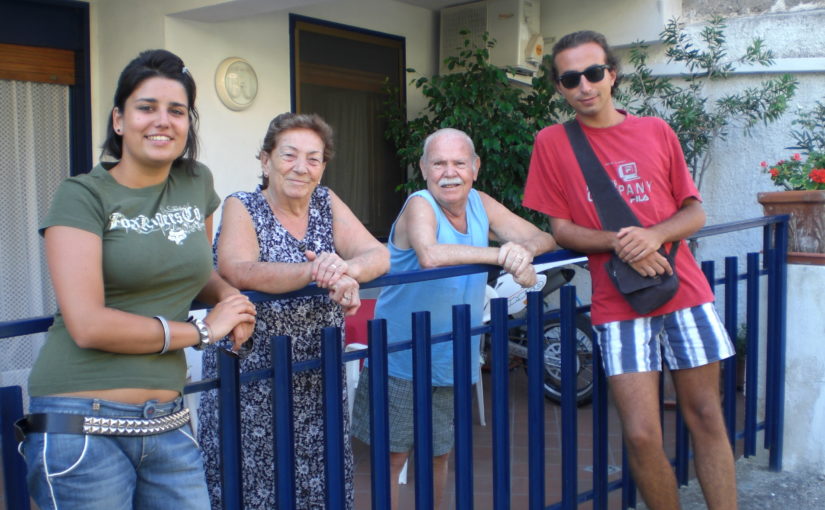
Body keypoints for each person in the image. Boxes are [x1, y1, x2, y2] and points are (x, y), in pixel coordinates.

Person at [17, 49, 257, 510]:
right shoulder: (81, 195)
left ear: (189, 124)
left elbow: (194, 268)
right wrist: (205, 330)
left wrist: (231, 298)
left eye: (176, 110)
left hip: (169, 422)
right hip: (82, 426)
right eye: (146, 107)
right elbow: (87, 324)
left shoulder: (194, 182)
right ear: (120, 120)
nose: (162, 121)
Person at [523, 30, 737, 510]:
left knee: (706, 415)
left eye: (594, 73)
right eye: (571, 78)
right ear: (560, 86)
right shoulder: (553, 143)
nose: (584, 86)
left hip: (683, 288)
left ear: (612, 74)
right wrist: (623, 242)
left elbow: (693, 212)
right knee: (641, 436)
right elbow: (561, 229)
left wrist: (654, 235)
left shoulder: (656, 131)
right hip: (617, 300)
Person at [351, 127, 557, 510]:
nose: (450, 172)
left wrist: (520, 252)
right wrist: (500, 256)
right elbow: (430, 254)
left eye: (459, 162)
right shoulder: (419, 204)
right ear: (424, 169)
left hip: (452, 353)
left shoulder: (480, 203)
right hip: (402, 352)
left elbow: (544, 237)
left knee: (438, 453)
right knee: (394, 457)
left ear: (475, 167)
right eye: (439, 163)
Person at [197, 112, 390, 509]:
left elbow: (379, 254)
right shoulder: (242, 205)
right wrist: (314, 270)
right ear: (265, 161)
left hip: (318, 373)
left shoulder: (325, 201)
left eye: (314, 158)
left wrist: (344, 270)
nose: (301, 167)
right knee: (254, 482)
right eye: (289, 155)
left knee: (321, 480)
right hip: (254, 376)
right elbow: (238, 269)